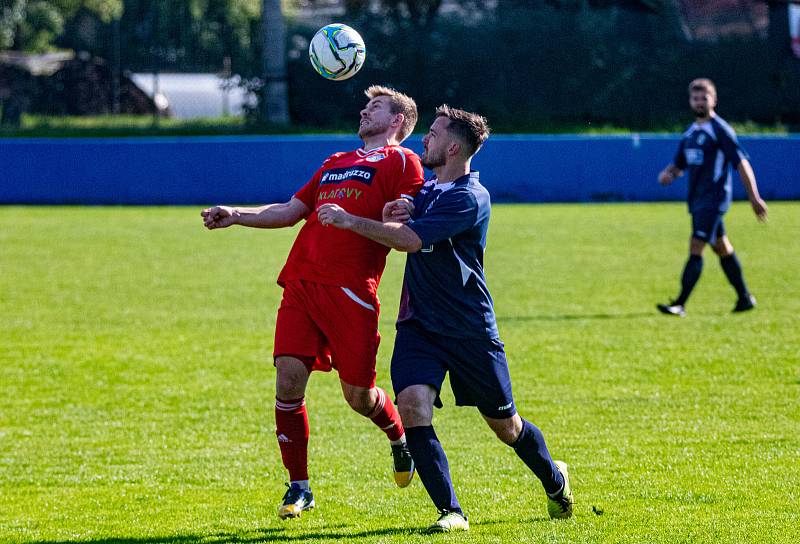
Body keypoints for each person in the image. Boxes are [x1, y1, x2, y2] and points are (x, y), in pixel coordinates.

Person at [317, 105, 574, 533]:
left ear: (453, 146)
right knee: (412, 406)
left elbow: (411, 240)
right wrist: (393, 210)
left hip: (469, 329)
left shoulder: (469, 197)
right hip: (418, 325)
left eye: (433, 134)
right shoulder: (426, 191)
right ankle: (451, 511)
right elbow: (402, 217)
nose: (425, 140)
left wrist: (350, 221)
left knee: (506, 427)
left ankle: (554, 480)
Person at [201, 85, 424, 519]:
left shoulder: (403, 161)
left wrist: (396, 213)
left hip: (352, 292)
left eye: (375, 107)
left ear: (397, 120)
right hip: (302, 283)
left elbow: (402, 230)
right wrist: (237, 215)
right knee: (287, 380)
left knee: (358, 397)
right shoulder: (335, 162)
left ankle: (398, 437)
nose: (364, 110)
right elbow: (290, 210)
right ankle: (298, 487)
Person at [657, 78, 768, 317]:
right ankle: (744, 297)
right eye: (695, 98)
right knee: (722, 247)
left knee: (696, 246)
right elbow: (680, 164)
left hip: (714, 199)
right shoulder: (691, 133)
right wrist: (669, 174)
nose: (699, 102)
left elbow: (741, 163)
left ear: (713, 100)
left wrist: (754, 197)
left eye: (704, 98)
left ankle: (680, 303)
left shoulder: (720, 130)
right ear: (690, 101)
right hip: (697, 200)